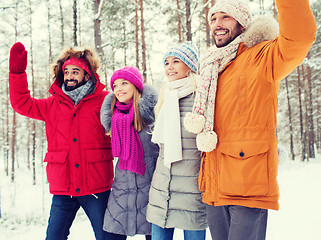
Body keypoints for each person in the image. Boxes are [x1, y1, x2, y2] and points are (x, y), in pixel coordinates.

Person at [184, 0, 317, 239]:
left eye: (226, 17)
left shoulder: (262, 57)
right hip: (214, 186)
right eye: (213, 19)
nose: (218, 24)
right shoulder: (212, 66)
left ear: (242, 21)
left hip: (247, 184)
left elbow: (300, 37)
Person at [8, 42, 114, 240]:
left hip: (96, 186)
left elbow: (128, 116)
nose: (70, 76)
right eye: (66, 72)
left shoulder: (104, 101)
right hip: (64, 187)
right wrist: (17, 73)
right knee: (54, 237)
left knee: (109, 237)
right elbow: (22, 103)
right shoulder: (52, 105)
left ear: (87, 74)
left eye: (75, 71)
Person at [146, 41, 207, 240]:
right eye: (166, 62)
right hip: (162, 188)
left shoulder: (201, 98)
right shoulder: (165, 96)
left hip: (192, 189)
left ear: (189, 65)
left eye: (176, 61)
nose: (169, 67)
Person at [100, 66, 159, 240]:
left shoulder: (153, 115)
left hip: (150, 190)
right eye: (115, 85)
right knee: (111, 234)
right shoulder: (112, 117)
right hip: (121, 191)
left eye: (124, 83)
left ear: (136, 86)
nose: (119, 89)